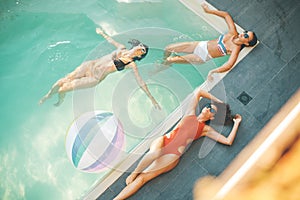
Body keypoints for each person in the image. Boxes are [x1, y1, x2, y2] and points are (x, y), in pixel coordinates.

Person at [113, 87, 242, 200]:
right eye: (209, 106)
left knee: (142, 179)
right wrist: (218, 103)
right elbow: (199, 92)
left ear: (212, 118)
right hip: (164, 141)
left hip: (172, 155)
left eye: (211, 111)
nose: (207, 109)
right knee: (154, 153)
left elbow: (228, 141)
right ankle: (134, 173)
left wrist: (236, 124)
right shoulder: (190, 113)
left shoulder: (205, 129)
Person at [39, 28, 160, 108]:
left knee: (62, 89)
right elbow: (111, 40)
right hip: (89, 66)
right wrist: (102, 32)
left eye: (142, 50)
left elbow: (140, 82)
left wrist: (152, 99)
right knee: (61, 81)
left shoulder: (130, 64)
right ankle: (49, 95)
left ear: (140, 55)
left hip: (94, 78)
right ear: (135, 46)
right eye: (140, 46)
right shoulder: (121, 48)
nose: (140, 48)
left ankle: (61, 99)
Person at [162, 3, 258, 81]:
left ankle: (164, 64)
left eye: (246, 36)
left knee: (170, 60)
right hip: (200, 45)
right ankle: (164, 60)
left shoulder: (235, 49)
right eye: (245, 32)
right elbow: (226, 15)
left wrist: (212, 72)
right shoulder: (233, 33)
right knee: (168, 48)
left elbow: (228, 65)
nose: (243, 34)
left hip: (200, 57)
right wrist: (209, 11)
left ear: (246, 43)